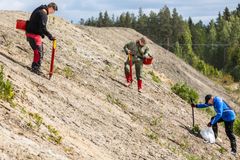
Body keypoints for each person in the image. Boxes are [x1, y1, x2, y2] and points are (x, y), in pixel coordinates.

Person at [26, 2, 58, 74]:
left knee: (38, 52)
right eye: (53, 11)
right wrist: (50, 36)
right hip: (34, 35)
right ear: (51, 8)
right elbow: (43, 28)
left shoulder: (39, 9)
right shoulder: (43, 14)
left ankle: (35, 67)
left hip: (30, 34)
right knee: (39, 53)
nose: (53, 13)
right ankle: (35, 68)